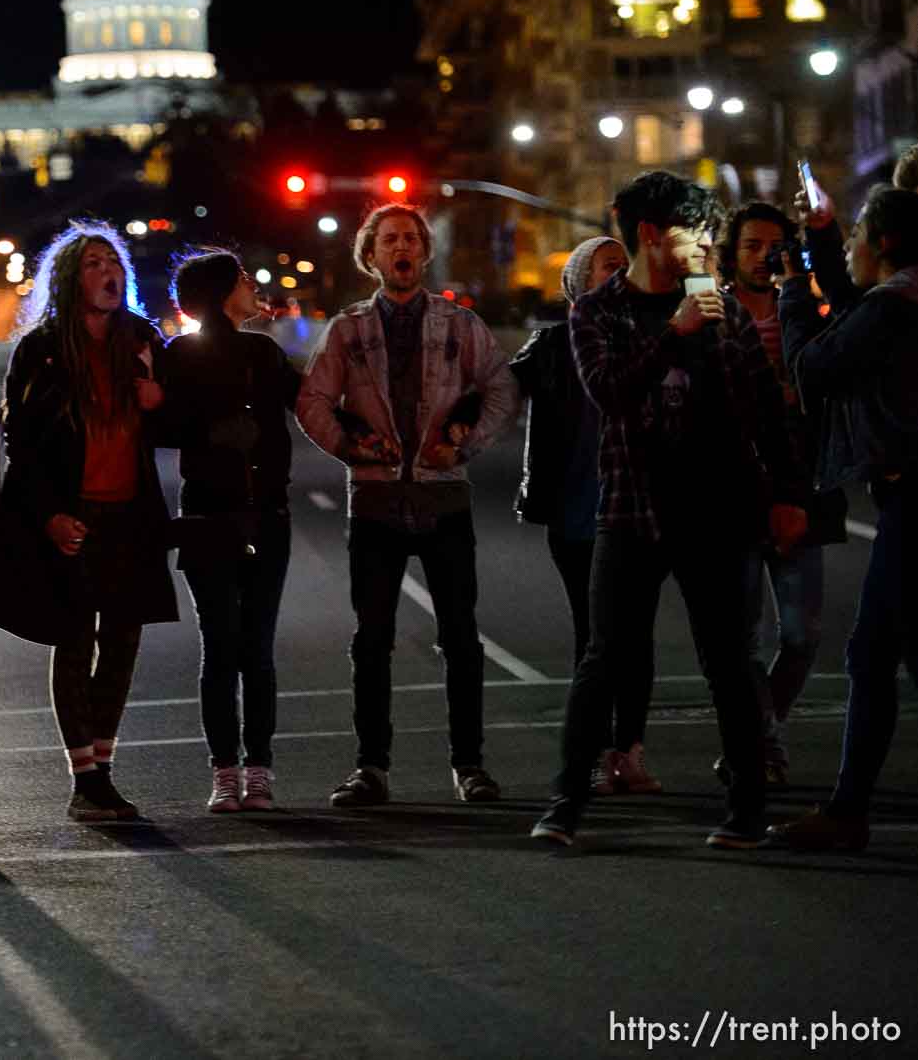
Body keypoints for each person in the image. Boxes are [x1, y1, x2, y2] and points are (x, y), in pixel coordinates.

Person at [531, 172, 809, 850]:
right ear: (651, 237)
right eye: (692, 237)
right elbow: (611, 395)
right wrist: (674, 337)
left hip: (717, 511)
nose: (703, 250)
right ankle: (564, 805)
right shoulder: (597, 312)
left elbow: (762, 406)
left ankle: (745, 810)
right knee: (603, 659)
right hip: (630, 510)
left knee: (729, 663)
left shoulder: (717, 306)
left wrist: (787, 492)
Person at [296, 204, 518, 808]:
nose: (402, 248)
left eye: (411, 239)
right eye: (389, 239)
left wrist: (465, 444)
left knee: (461, 637)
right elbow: (312, 398)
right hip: (375, 501)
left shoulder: (457, 323)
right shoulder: (347, 329)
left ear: (423, 253)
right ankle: (371, 767)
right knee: (372, 638)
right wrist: (350, 445)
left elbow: (500, 384)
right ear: (371, 256)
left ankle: (470, 765)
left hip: (444, 497)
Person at [0, 221, 176, 822]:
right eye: (94, 264)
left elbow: (175, 430)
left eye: (112, 263)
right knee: (73, 641)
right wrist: (49, 515)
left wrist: (157, 405)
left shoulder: (143, 340)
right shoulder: (41, 349)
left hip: (130, 514)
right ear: (72, 280)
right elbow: (21, 440)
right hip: (74, 513)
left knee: (122, 641)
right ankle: (84, 777)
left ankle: (102, 767)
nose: (108, 273)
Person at [770, 182, 918, 850]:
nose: (852, 240)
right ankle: (848, 806)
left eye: (859, 230)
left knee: (868, 654)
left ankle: (847, 811)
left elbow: (811, 368)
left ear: (884, 242)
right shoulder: (898, 296)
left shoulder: (892, 307)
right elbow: (855, 298)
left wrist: (792, 291)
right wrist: (823, 234)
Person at [508, 236, 662, 795]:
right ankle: (594, 753)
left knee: (637, 635)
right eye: (607, 267)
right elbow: (500, 389)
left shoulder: (647, 336)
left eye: (625, 266)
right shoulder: (551, 345)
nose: (619, 274)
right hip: (575, 515)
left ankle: (631, 751)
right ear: (578, 281)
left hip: (640, 512)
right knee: (596, 638)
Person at [160, 250, 301, 812]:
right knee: (241, 649)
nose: (253, 286)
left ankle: (244, 772)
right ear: (222, 293)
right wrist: (214, 429)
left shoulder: (263, 352)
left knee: (230, 648)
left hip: (241, 516)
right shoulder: (183, 354)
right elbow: (160, 422)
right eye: (243, 280)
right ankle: (239, 771)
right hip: (232, 517)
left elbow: (307, 399)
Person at [718, 201, 844, 785]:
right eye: (751, 245)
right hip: (734, 495)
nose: (765, 257)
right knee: (739, 637)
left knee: (801, 635)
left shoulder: (805, 311)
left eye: (775, 246)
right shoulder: (708, 311)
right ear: (730, 251)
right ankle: (762, 747)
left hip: (800, 486)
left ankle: (756, 734)